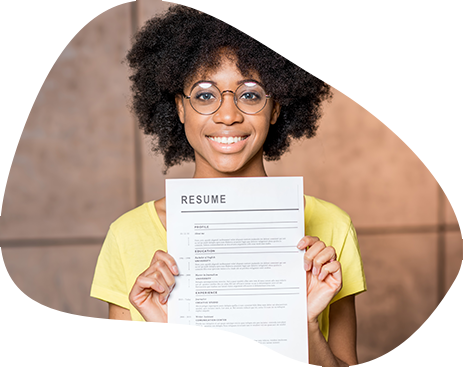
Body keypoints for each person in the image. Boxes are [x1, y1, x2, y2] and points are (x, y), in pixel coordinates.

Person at [90, 4, 366, 366]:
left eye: (250, 94)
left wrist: (305, 325)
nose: (228, 114)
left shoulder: (331, 228)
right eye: (205, 95)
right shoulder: (128, 236)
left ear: (276, 107)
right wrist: (158, 328)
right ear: (180, 108)